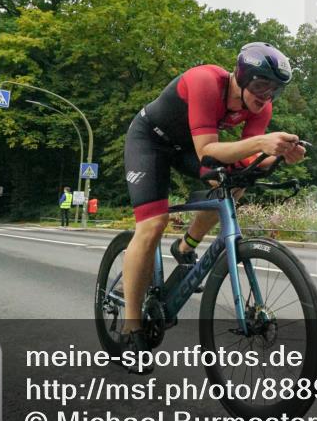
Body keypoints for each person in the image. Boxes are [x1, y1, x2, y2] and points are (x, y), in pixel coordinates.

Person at [119, 43, 306, 373]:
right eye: (262, 84)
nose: (266, 95)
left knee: (235, 184)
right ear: (242, 76)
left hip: (187, 147)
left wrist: (278, 155)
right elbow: (208, 148)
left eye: (275, 88)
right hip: (151, 139)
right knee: (152, 225)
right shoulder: (207, 81)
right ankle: (131, 327)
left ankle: (186, 245)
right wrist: (262, 144)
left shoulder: (261, 109)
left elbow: (246, 159)